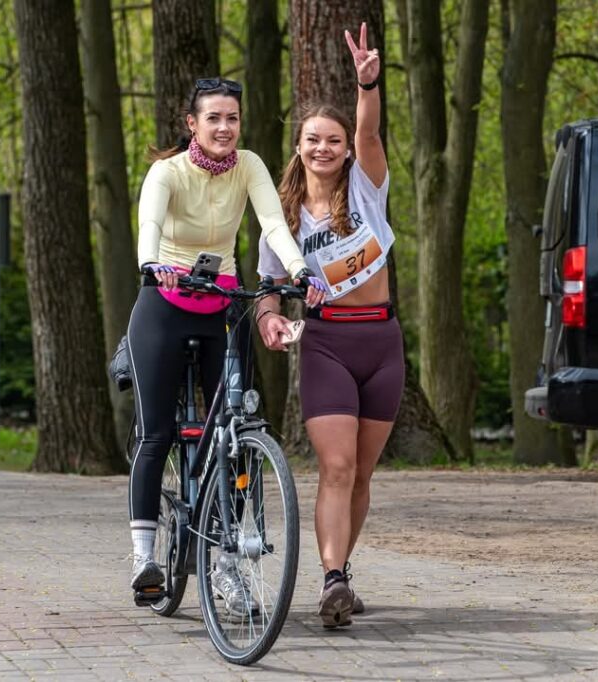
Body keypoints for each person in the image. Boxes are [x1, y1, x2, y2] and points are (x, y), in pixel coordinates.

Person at [126, 77, 325, 612]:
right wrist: (152, 265)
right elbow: (148, 222)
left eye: (232, 118)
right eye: (213, 118)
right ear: (192, 123)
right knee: (156, 431)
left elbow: (274, 225)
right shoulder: (167, 172)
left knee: (230, 433)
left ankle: (226, 568)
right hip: (164, 300)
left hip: (221, 304)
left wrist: (301, 268)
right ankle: (145, 558)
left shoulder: (251, 166)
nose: (223, 127)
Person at [255, 23, 404, 628]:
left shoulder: (367, 191)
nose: (324, 148)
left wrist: (368, 83)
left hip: (383, 343)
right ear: (298, 146)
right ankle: (332, 579)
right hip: (327, 345)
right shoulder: (281, 218)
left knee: (362, 474)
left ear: (346, 149)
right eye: (312, 139)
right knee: (337, 467)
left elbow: (369, 126)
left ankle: (342, 570)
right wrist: (270, 321)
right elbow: (266, 288)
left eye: (333, 140)